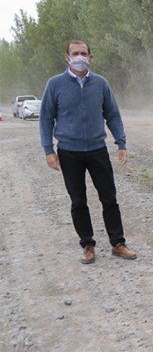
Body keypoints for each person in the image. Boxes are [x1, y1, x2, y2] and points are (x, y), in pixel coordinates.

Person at [39, 40, 137, 264]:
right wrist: (48, 150)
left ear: (91, 57)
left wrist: (121, 142)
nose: (79, 57)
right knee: (78, 200)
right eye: (75, 53)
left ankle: (118, 244)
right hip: (69, 152)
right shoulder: (55, 84)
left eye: (84, 53)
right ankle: (88, 245)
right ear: (67, 57)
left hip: (97, 150)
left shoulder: (100, 83)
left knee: (109, 198)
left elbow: (112, 114)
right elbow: (45, 118)